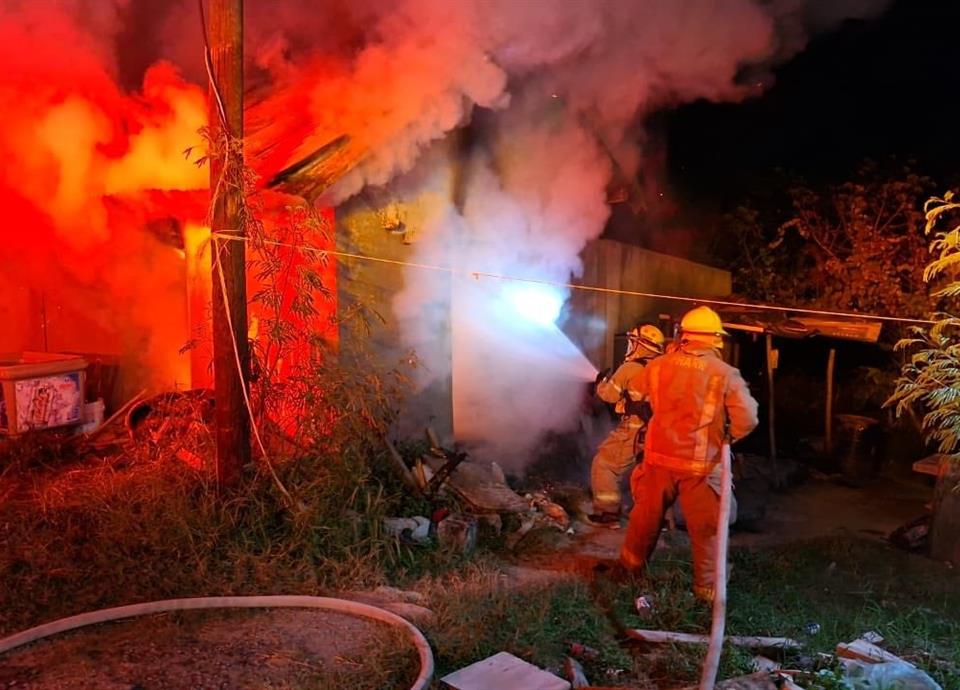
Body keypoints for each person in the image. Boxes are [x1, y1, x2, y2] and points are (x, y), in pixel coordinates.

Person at [619, 306, 758, 602]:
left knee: (645, 518)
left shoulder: (659, 365)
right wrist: (727, 436)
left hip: (657, 458)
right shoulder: (724, 373)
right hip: (699, 466)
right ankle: (706, 593)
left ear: (683, 335)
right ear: (715, 339)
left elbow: (637, 391)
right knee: (706, 530)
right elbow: (748, 418)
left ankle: (629, 570)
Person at [588, 324, 665, 527]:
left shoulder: (630, 368)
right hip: (660, 431)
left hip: (634, 429)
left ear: (640, 344)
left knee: (604, 465)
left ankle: (608, 514)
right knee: (648, 473)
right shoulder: (665, 367)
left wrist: (600, 385)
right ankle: (656, 518)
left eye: (633, 342)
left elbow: (610, 396)